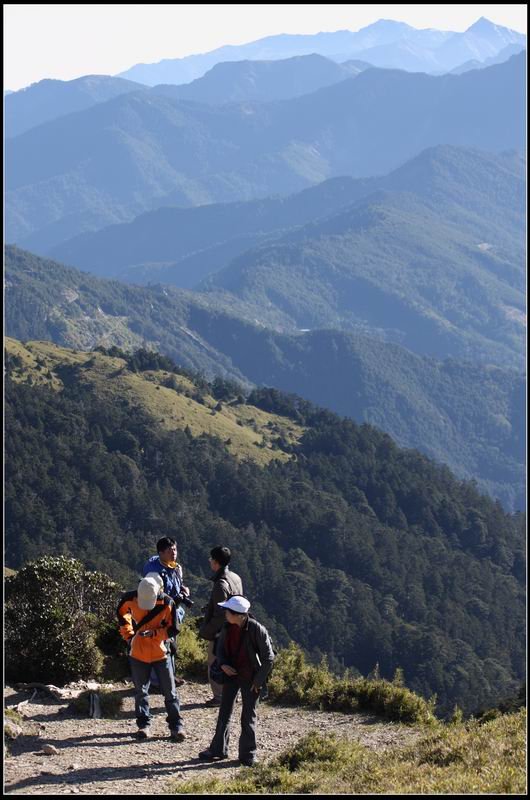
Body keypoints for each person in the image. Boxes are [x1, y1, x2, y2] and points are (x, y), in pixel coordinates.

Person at [198, 595, 275, 767]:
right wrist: (224, 664)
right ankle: (218, 749)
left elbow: (269, 658)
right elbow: (220, 649)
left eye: (228, 611)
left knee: (248, 716)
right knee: (224, 712)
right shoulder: (227, 626)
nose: (225, 613)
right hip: (232, 675)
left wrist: (258, 681)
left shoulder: (257, 629)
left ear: (238, 614)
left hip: (250, 678)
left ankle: (248, 755)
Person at [117, 572, 185, 741]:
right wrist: (129, 636)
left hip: (160, 652)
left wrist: (155, 634)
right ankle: (143, 726)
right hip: (138, 653)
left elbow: (173, 628)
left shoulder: (168, 602)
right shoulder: (129, 599)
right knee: (141, 692)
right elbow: (121, 615)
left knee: (170, 692)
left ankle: (176, 727)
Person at [198, 545, 243, 706]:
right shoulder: (236, 577)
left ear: (216, 562)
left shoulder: (220, 584)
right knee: (232, 662)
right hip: (236, 627)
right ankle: (232, 693)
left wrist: (207, 630)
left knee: (214, 662)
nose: (210, 561)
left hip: (222, 632)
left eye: (211, 559)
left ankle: (220, 696)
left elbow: (220, 614)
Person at [143, 537, 190, 686]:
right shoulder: (154, 571)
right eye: (170, 551)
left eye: (175, 549)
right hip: (159, 614)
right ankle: (157, 682)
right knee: (159, 645)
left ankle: (169, 677)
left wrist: (183, 590)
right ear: (161, 552)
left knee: (171, 645)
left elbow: (177, 585)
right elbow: (154, 594)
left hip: (173, 612)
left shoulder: (174, 567)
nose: (174, 553)